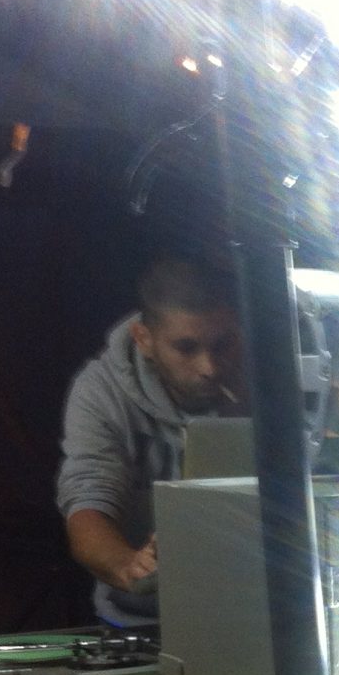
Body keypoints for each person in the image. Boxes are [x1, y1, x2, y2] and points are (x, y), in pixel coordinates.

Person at [56, 257, 245, 625]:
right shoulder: (101, 392)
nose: (209, 367)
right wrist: (130, 566)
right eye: (186, 348)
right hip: (139, 620)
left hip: (251, 619)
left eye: (223, 344)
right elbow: (88, 503)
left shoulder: (271, 379)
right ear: (144, 339)